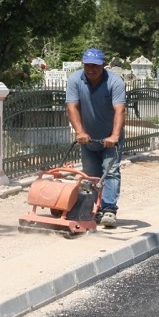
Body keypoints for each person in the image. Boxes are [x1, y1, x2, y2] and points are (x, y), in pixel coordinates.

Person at [65, 48, 126, 228]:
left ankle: (109, 210)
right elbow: (72, 107)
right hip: (88, 137)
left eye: (95, 66)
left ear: (103, 65)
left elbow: (120, 110)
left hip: (110, 138)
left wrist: (114, 135)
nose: (91, 69)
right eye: (87, 65)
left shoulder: (115, 82)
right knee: (91, 175)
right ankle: (92, 209)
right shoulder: (75, 79)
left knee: (110, 171)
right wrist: (80, 132)